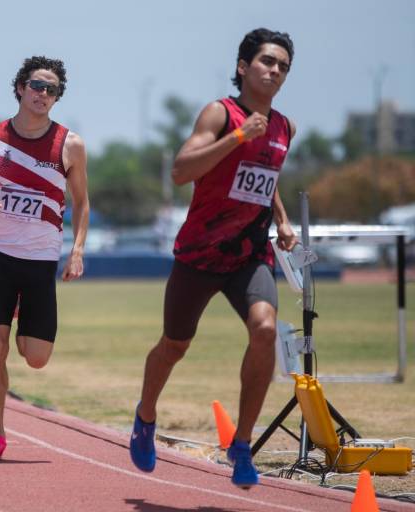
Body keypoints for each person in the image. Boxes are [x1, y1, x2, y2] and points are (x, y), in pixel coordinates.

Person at [129, 28, 298, 489]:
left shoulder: (285, 127)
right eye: (267, 61)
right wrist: (237, 135)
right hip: (199, 253)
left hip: (249, 253)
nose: (275, 71)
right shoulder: (220, 113)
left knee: (265, 329)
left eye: (283, 65)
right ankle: (145, 417)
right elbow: (182, 171)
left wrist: (281, 219)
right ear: (244, 67)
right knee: (174, 346)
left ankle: (242, 444)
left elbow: (266, 176)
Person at [0, 56, 90, 461]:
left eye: (51, 89)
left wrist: (77, 250)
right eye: (36, 85)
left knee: (35, 358)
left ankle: (21, 320)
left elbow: (83, 203)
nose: (42, 94)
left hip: (40, 259)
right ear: (20, 88)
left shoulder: (70, 144)